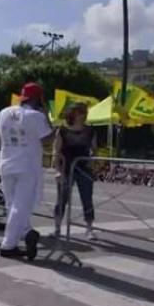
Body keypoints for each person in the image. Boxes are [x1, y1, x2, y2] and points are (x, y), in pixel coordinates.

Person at [0, 83, 53, 260]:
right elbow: (48, 139)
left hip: (6, 163)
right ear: (38, 99)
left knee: (12, 205)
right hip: (27, 166)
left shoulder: (4, 112)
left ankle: (27, 233)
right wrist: (47, 115)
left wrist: (10, 147)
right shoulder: (36, 116)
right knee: (20, 206)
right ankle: (8, 245)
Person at [51, 102, 97, 239]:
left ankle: (89, 229)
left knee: (87, 199)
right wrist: (57, 170)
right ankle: (57, 228)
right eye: (81, 111)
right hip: (65, 168)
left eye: (84, 111)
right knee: (61, 199)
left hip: (84, 168)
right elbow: (56, 150)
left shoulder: (90, 131)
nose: (84, 114)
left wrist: (92, 161)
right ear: (73, 113)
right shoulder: (63, 130)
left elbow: (94, 150)